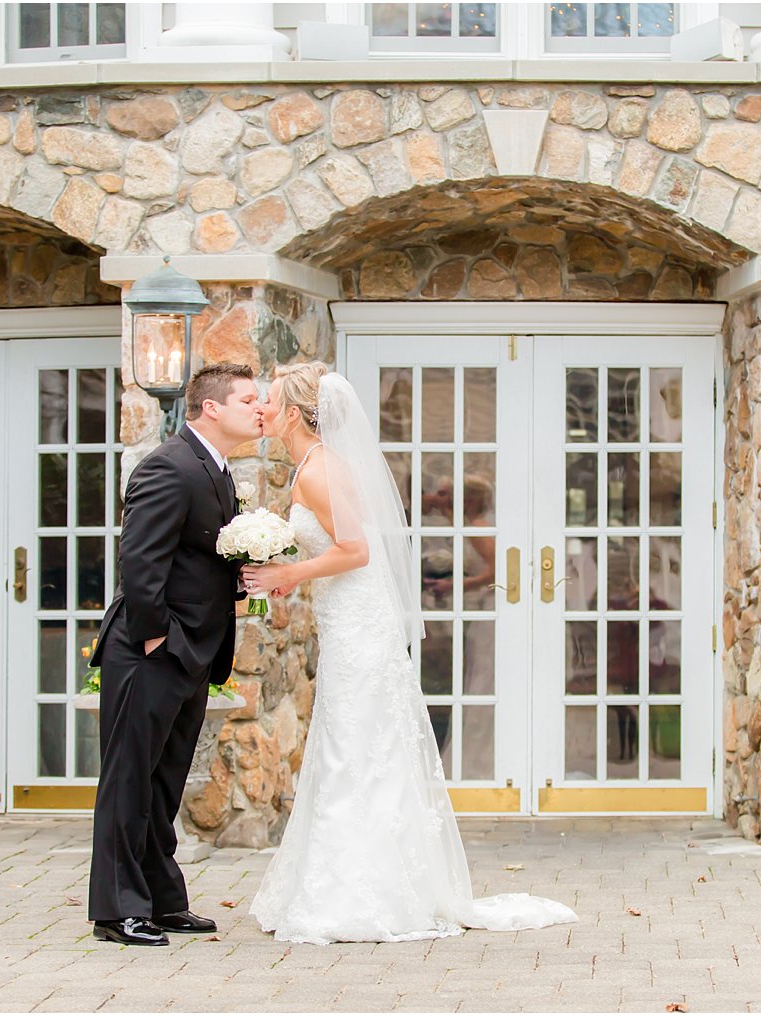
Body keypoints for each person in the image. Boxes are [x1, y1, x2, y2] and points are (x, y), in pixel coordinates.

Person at [243, 361, 576, 944]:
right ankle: (360, 878)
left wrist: (290, 572)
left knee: (353, 747)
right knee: (352, 744)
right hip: (347, 617)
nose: (262, 410)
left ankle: (358, 894)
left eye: (268, 401)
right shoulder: (312, 465)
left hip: (356, 622)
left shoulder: (318, 471)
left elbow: (356, 550)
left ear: (294, 413)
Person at [87, 363, 262, 946]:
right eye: (246, 399)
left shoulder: (215, 468)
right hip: (151, 651)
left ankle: (161, 900)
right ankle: (116, 911)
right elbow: (140, 563)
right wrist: (157, 637)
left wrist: (241, 578)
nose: (257, 409)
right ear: (211, 408)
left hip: (190, 652)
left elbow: (195, 558)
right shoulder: (168, 465)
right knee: (129, 782)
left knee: (163, 785)